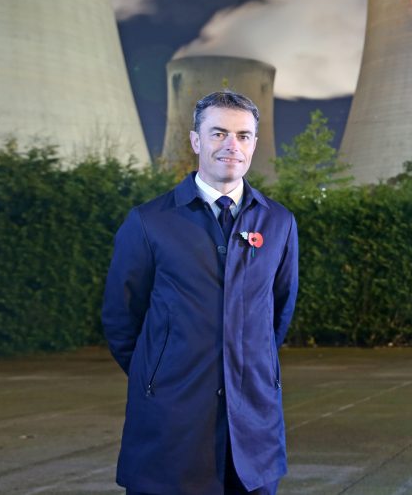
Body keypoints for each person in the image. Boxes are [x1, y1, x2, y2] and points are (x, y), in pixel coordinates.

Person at [102, 90, 298, 495]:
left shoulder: (279, 222)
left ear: (255, 144)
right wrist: (159, 372)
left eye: (244, 136)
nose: (232, 145)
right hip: (171, 422)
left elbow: (278, 311)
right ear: (195, 141)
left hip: (253, 422)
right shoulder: (149, 222)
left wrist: (245, 365)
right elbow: (122, 319)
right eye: (218, 133)